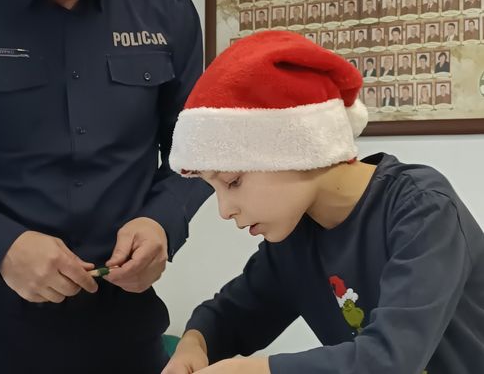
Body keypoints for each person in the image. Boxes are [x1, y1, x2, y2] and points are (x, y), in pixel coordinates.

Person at [163, 30, 484, 374]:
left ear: (294, 147)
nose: (225, 210)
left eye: (233, 181)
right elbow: (227, 317)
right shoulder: (294, 242)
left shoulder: (423, 209)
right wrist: (193, 346)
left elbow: (390, 359)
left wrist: (253, 371)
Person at [0, 0, 212, 373]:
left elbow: (198, 148)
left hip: (126, 334)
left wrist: (162, 221)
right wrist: (0, 245)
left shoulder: (164, 5)